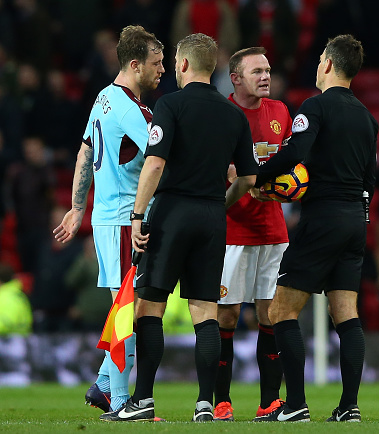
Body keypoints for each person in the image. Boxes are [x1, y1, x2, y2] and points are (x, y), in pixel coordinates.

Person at [99, 33, 258, 423]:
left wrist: (138, 215)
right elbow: (249, 180)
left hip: (170, 213)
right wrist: (219, 204)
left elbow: (154, 164)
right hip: (210, 217)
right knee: (204, 311)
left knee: (149, 305)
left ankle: (143, 400)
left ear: (183, 65)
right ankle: (205, 403)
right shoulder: (233, 114)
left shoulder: (170, 104)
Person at [252, 34, 377, 422]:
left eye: (321, 58)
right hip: (356, 219)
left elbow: (293, 153)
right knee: (346, 313)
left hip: (322, 218)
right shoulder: (367, 117)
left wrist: (255, 177)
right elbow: (371, 177)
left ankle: (296, 405)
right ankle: (349, 407)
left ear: (327, 65)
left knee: (280, 310)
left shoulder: (316, 106)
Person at [52, 25, 165, 413]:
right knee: (126, 312)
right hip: (122, 220)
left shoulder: (103, 98)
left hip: (107, 217)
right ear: (135, 65)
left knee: (126, 307)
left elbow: (85, 154)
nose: (162, 70)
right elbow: (160, 155)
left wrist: (77, 207)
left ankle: (103, 385)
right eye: (156, 63)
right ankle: (119, 403)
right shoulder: (130, 109)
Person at [213, 46, 292, 422]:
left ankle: (269, 402)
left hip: (273, 229)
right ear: (235, 78)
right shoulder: (221, 115)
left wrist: (285, 185)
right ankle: (221, 400)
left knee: (270, 316)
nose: (265, 77)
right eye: (256, 71)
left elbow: (293, 167)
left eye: (268, 70)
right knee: (226, 318)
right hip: (232, 231)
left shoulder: (279, 112)